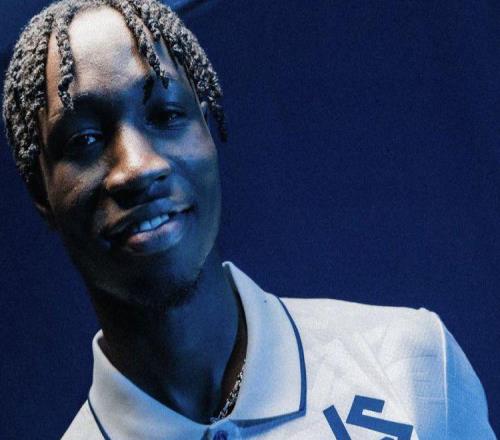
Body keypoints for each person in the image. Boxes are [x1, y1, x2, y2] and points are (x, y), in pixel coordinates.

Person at [2, 0, 495, 438]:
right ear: (40, 192)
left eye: (166, 115)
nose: (138, 167)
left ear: (206, 130)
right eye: (84, 140)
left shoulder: (409, 362)